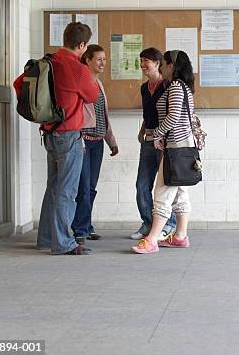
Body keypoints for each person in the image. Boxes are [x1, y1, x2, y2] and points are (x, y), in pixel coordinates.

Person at [13, 22, 99, 255]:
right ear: (82, 45)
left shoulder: (48, 62)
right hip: (69, 135)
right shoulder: (77, 68)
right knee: (67, 191)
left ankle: (46, 238)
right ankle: (63, 243)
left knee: (53, 187)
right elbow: (93, 95)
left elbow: (18, 83)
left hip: (49, 133)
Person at [132, 50, 194, 254]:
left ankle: (151, 239)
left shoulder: (175, 86)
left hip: (175, 146)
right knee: (180, 192)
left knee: (162, 192)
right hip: (184, 145)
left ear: (169, 65)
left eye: (165, 64)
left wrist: (157, 134)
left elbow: (174, 116)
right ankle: (180, 236)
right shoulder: (184, 86)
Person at [71, 44, 119, 244]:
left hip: (98, 142)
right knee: (83, 187)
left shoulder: (99, 84)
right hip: (82, 140)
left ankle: (86, 225)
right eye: (98, 59)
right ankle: (80, 230)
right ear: (88, 60)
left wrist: (112, 142)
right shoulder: (81, 82)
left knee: (91, 187)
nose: (103, 63)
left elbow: (103, 116)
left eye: (104, 59)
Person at [130, 47, 177, 241]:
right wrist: (142, 130)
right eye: (141, 61)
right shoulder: (144, 88)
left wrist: (161, 135)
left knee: (165, 186)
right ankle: (149, 223)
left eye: (146, 61)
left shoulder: (167, 85)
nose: (143, 65)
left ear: (157, 63)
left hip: (165, 142)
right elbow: (147, 114)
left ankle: (169, 224)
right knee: (142, 185)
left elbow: (169, 114)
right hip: (148, 140)